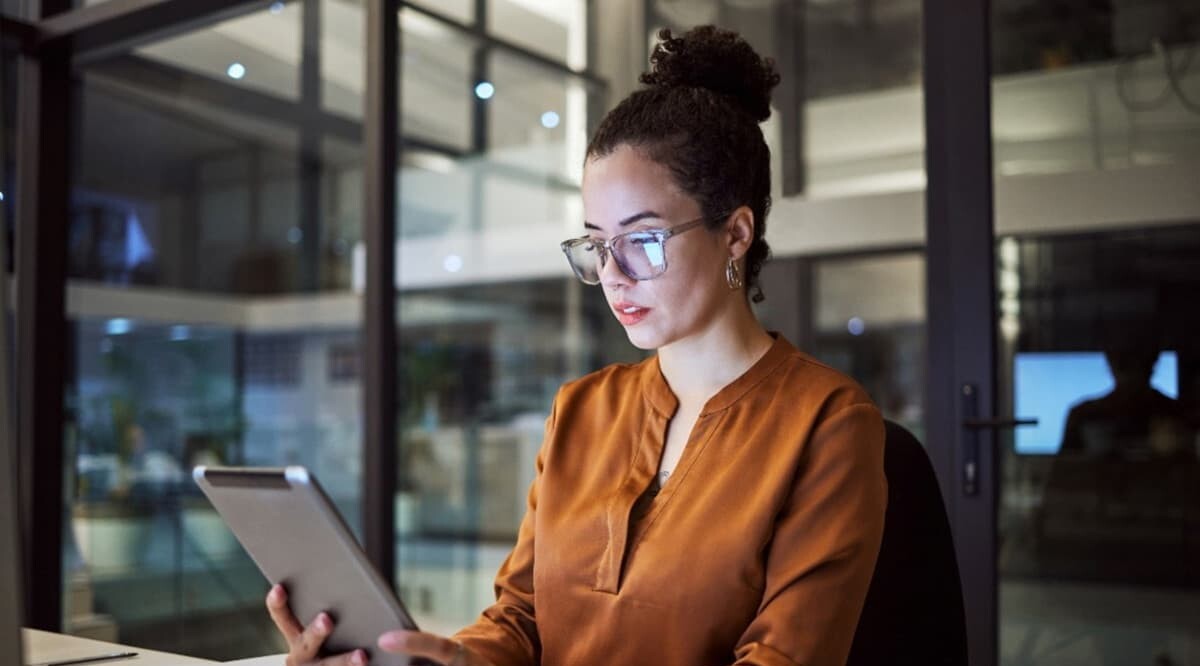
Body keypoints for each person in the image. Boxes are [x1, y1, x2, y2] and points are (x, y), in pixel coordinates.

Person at [266, 25, 887, 666]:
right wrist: (442, 661)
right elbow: (519, 619)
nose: (613, 274)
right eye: (596, 244)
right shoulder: (582, 410)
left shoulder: (829, 424)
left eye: (643, 240)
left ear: (734, 233)